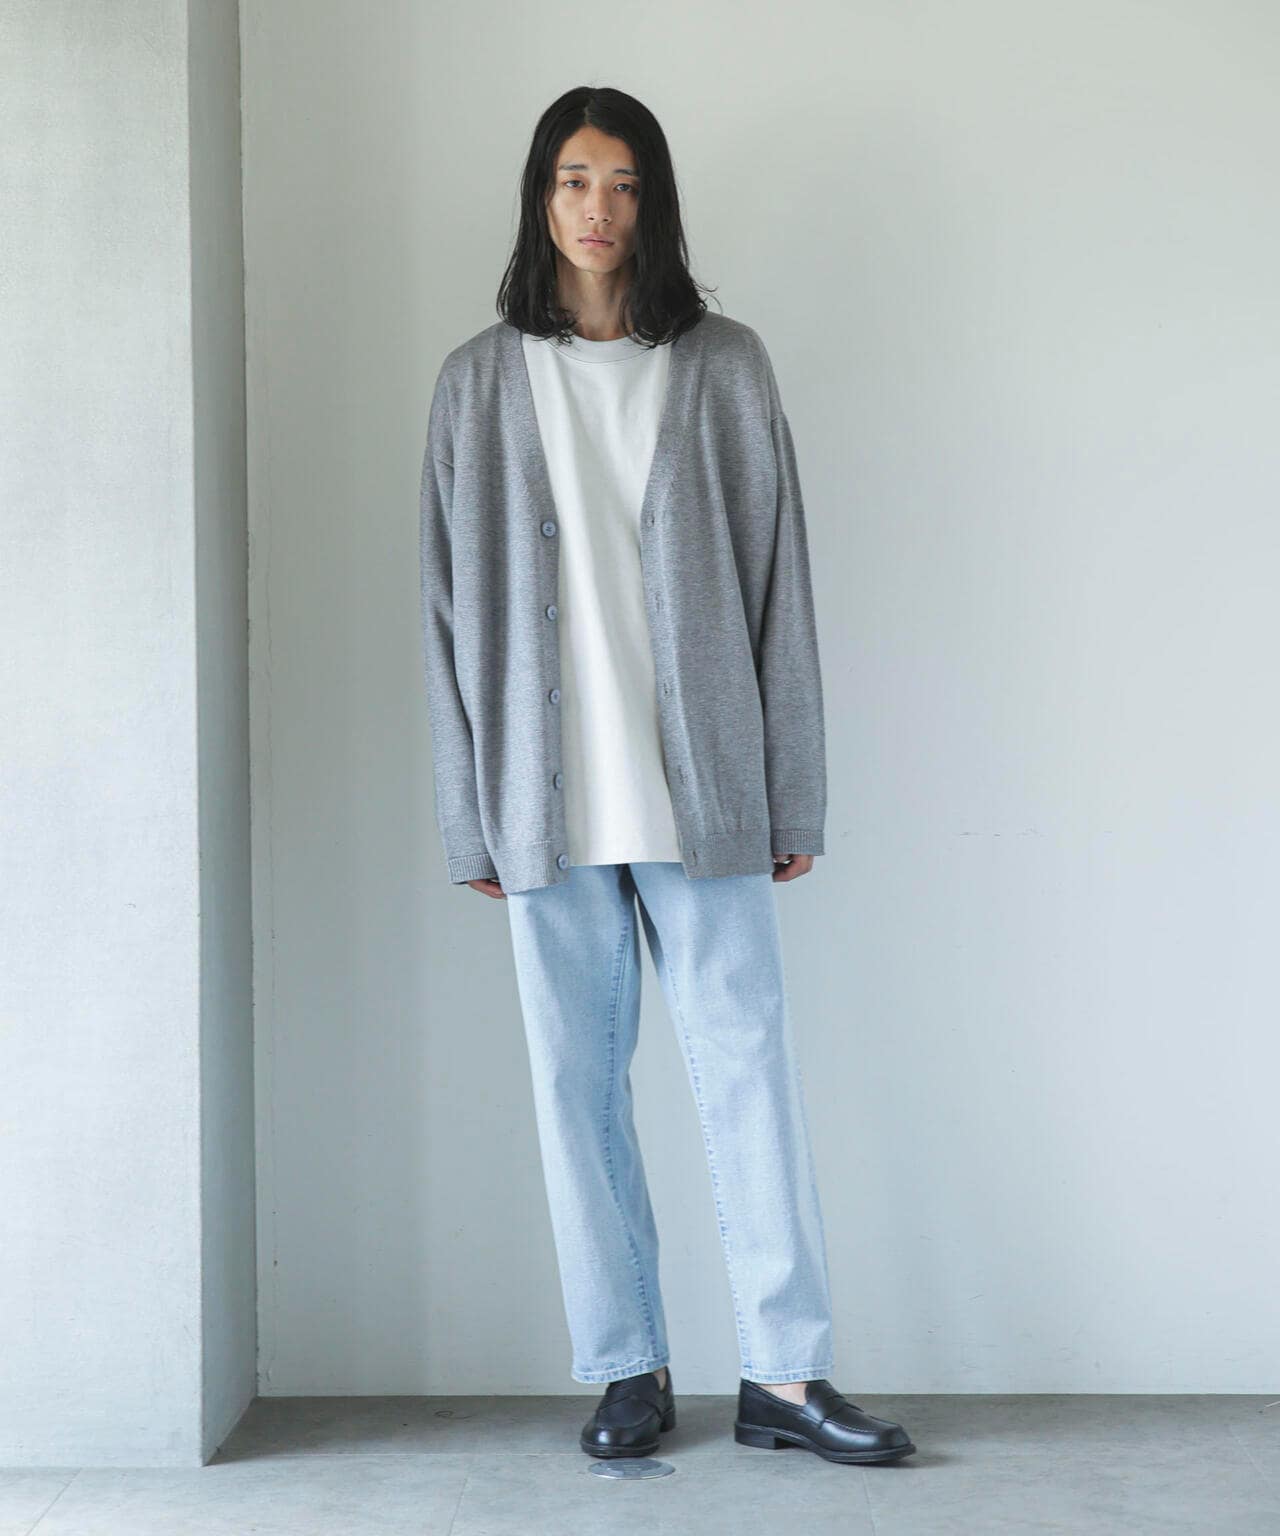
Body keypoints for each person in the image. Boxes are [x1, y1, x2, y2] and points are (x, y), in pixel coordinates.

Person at [419, 85, 915, 1468]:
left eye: (625, 184)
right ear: (541, 196)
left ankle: (786, 1375)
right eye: (576, 180)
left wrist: (793, 793)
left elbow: (779, 586)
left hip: (707, 799)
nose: (599, 209)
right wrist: (469, 814)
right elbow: (445, 612)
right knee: (576, 1094)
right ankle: (626, 1367)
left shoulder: (725, 366)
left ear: (655, 203)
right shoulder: (475, 382)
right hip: (546, 805)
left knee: (749, 1073)